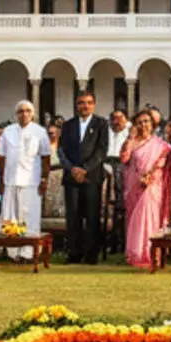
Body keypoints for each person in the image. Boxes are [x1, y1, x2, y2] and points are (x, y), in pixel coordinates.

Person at [57, 90, 110, 264]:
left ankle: (91, 253)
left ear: (93, 105)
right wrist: (72, 169)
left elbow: (101, 150)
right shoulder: (68, 125)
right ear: (76, 105)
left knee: (92, 215)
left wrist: (85, 169)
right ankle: (74, 252)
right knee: (73, 216)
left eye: (88, 102)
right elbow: (61, 150)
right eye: (81, 102)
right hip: (71, 176)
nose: (85, 106)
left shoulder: (101, 124)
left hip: (92, 176)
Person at [0, 100, 52, 259]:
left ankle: (29, 253)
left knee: (30, 217)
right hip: (10, 181)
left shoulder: (40, 131)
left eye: (28, 111)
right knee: (10, 217)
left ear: (33, 114)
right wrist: (1, 180)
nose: (24, 114)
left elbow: (46, 158)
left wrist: (44, 180)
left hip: (31, 182)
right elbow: (2, 157)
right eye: (21, 111)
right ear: (16, 114)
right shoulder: (8, 131)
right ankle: (12, 253)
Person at [121, 109, 171, 269]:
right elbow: (124, 159)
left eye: (146, 121)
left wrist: (150, 177)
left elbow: (163, 162)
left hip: (152, 185)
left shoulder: (160, 145)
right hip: (134, 185)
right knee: (134, 219)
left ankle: (151, 253)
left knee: (150, 217)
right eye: (140, 122)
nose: (143, 125)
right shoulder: (132, 142)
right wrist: (130, 138)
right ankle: (135, 253)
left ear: (153, 124)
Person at [105, 108, 131, 234]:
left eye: (120, 118)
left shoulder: (131, 131)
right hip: (106, 166)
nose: (116, 122)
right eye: (113, 119)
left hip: (124, 167)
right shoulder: (105, 130)